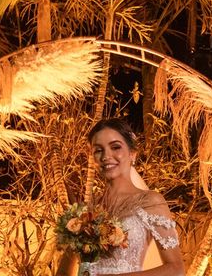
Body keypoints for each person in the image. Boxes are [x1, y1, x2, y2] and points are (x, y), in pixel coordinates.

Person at [59, 118, 184, 276]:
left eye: (115, 147)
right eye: (98, 150)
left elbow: (176, 269)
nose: (106, 156)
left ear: (132, 153)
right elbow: (63, 272)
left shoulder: (150, 202)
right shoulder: (85, 210)